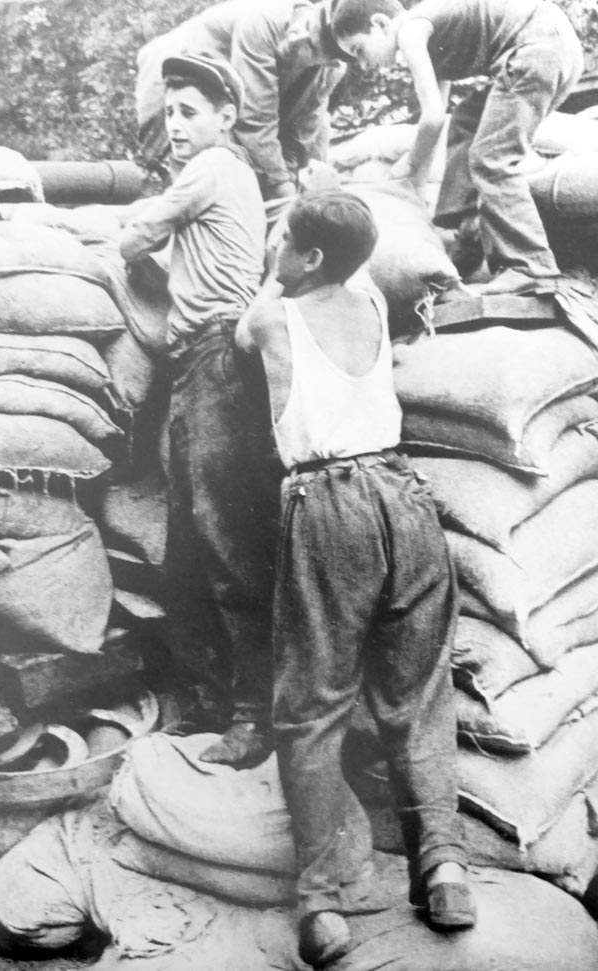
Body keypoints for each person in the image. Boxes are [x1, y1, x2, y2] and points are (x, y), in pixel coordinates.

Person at [236, 189, 474, 968]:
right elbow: (358, 259)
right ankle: (443, 869)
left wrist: (277, 272)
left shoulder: (274, 317)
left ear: (307, 259)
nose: (272, 246)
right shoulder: (371, 297)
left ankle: (323, 904)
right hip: (405, 501)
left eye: (282, 239)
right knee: (418, 694)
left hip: (329, 501)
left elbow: (247, 323)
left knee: (312, 704)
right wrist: (324, 228)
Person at [120, 54, 280, 769]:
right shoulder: (214, 181)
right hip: (195, 366)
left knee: (225, 544)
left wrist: (126, 240)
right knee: (186, 546)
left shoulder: (215, 169)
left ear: (226, 118)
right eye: (170, 110)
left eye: (189, 111)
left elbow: (137, 233)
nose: (175, 123)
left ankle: (255, 715)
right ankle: (214, 702)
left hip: (218, 363)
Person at [330, 0, 584, 292]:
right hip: (557, 47)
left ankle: (529, 266)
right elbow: (436, 119)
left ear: (380, 24)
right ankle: (467, 236)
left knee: (491, 159)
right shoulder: (428, 40)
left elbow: (433, 118)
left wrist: (411, 163)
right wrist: (415, 189)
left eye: (359, 50)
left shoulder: (411, 32)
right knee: (465, 123)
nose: (362, 65)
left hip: (537, 47)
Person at [136, 0, 350, 200]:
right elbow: (254, 120)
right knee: (196, 169)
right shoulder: (264, 20)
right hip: (181, 64)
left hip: (232, 84)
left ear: (328, 62)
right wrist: (281, 186)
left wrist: (292, 182)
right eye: (305, 26)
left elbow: (301, 133)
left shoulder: (331, 72)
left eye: (311, 47)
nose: (295, 38)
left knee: (318, 131)